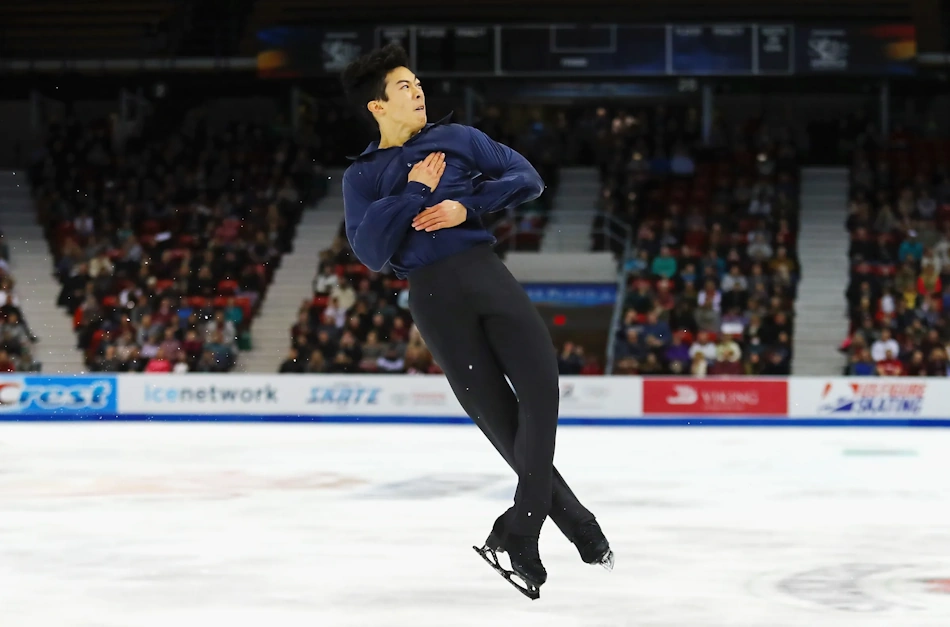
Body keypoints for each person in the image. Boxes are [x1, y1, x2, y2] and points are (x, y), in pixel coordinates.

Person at [340, 44, 611, 599]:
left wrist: (469, 207)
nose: (418, 91)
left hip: (484, 272)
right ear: (377, 106)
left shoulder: (458, 138)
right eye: (404, 86)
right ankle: (564, 524)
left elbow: (527, 178)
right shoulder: (361, 175)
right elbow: (370, 252)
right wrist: (414, 192)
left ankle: (522, 526)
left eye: (418, 82)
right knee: (499, 419)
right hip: (432, 296)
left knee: (541, 390)